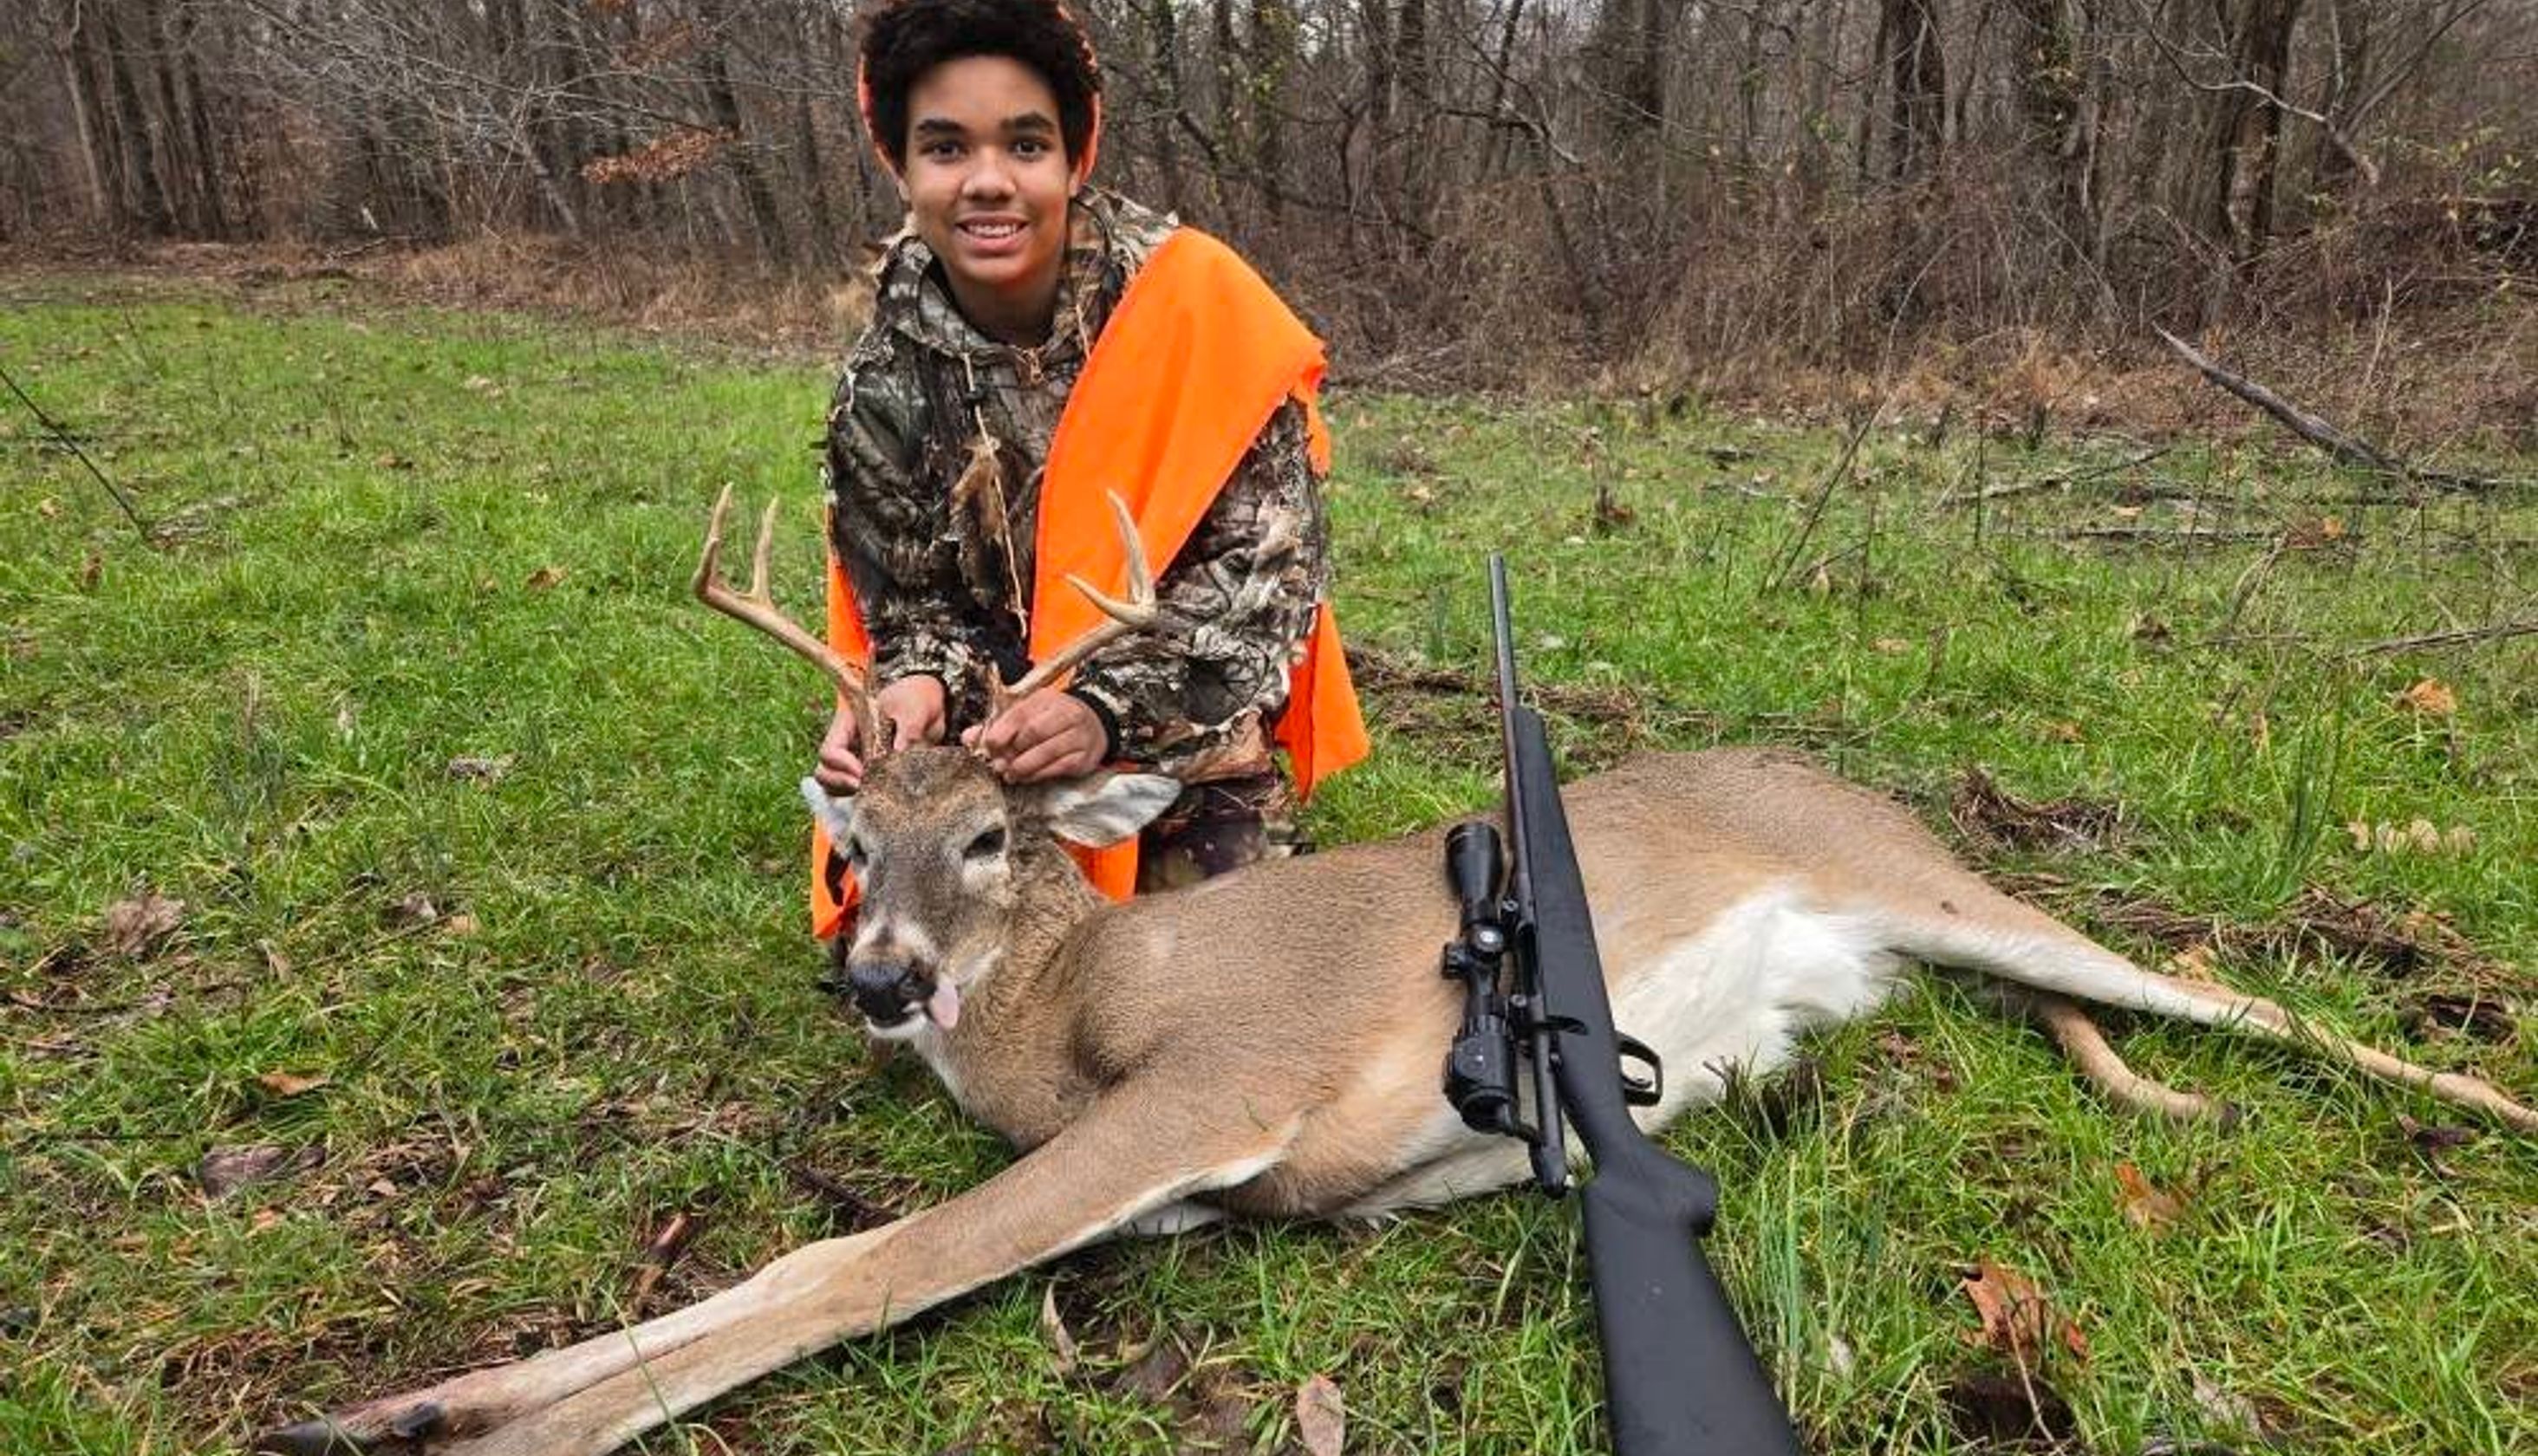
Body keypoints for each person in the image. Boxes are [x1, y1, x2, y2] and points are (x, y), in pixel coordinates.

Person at [806, 0, 1367, 939]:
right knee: (916, 968)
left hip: (1169, 727)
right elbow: (907, 607)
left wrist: (1103, 713)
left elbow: (1264, 586)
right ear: (901, 166)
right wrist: (914, 686)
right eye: (946, 148)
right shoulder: (882, 385)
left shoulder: (1196, 312)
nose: (989, 182)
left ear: (1075, 158)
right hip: (986, 750)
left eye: (1026, 145)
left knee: (1214, 964)